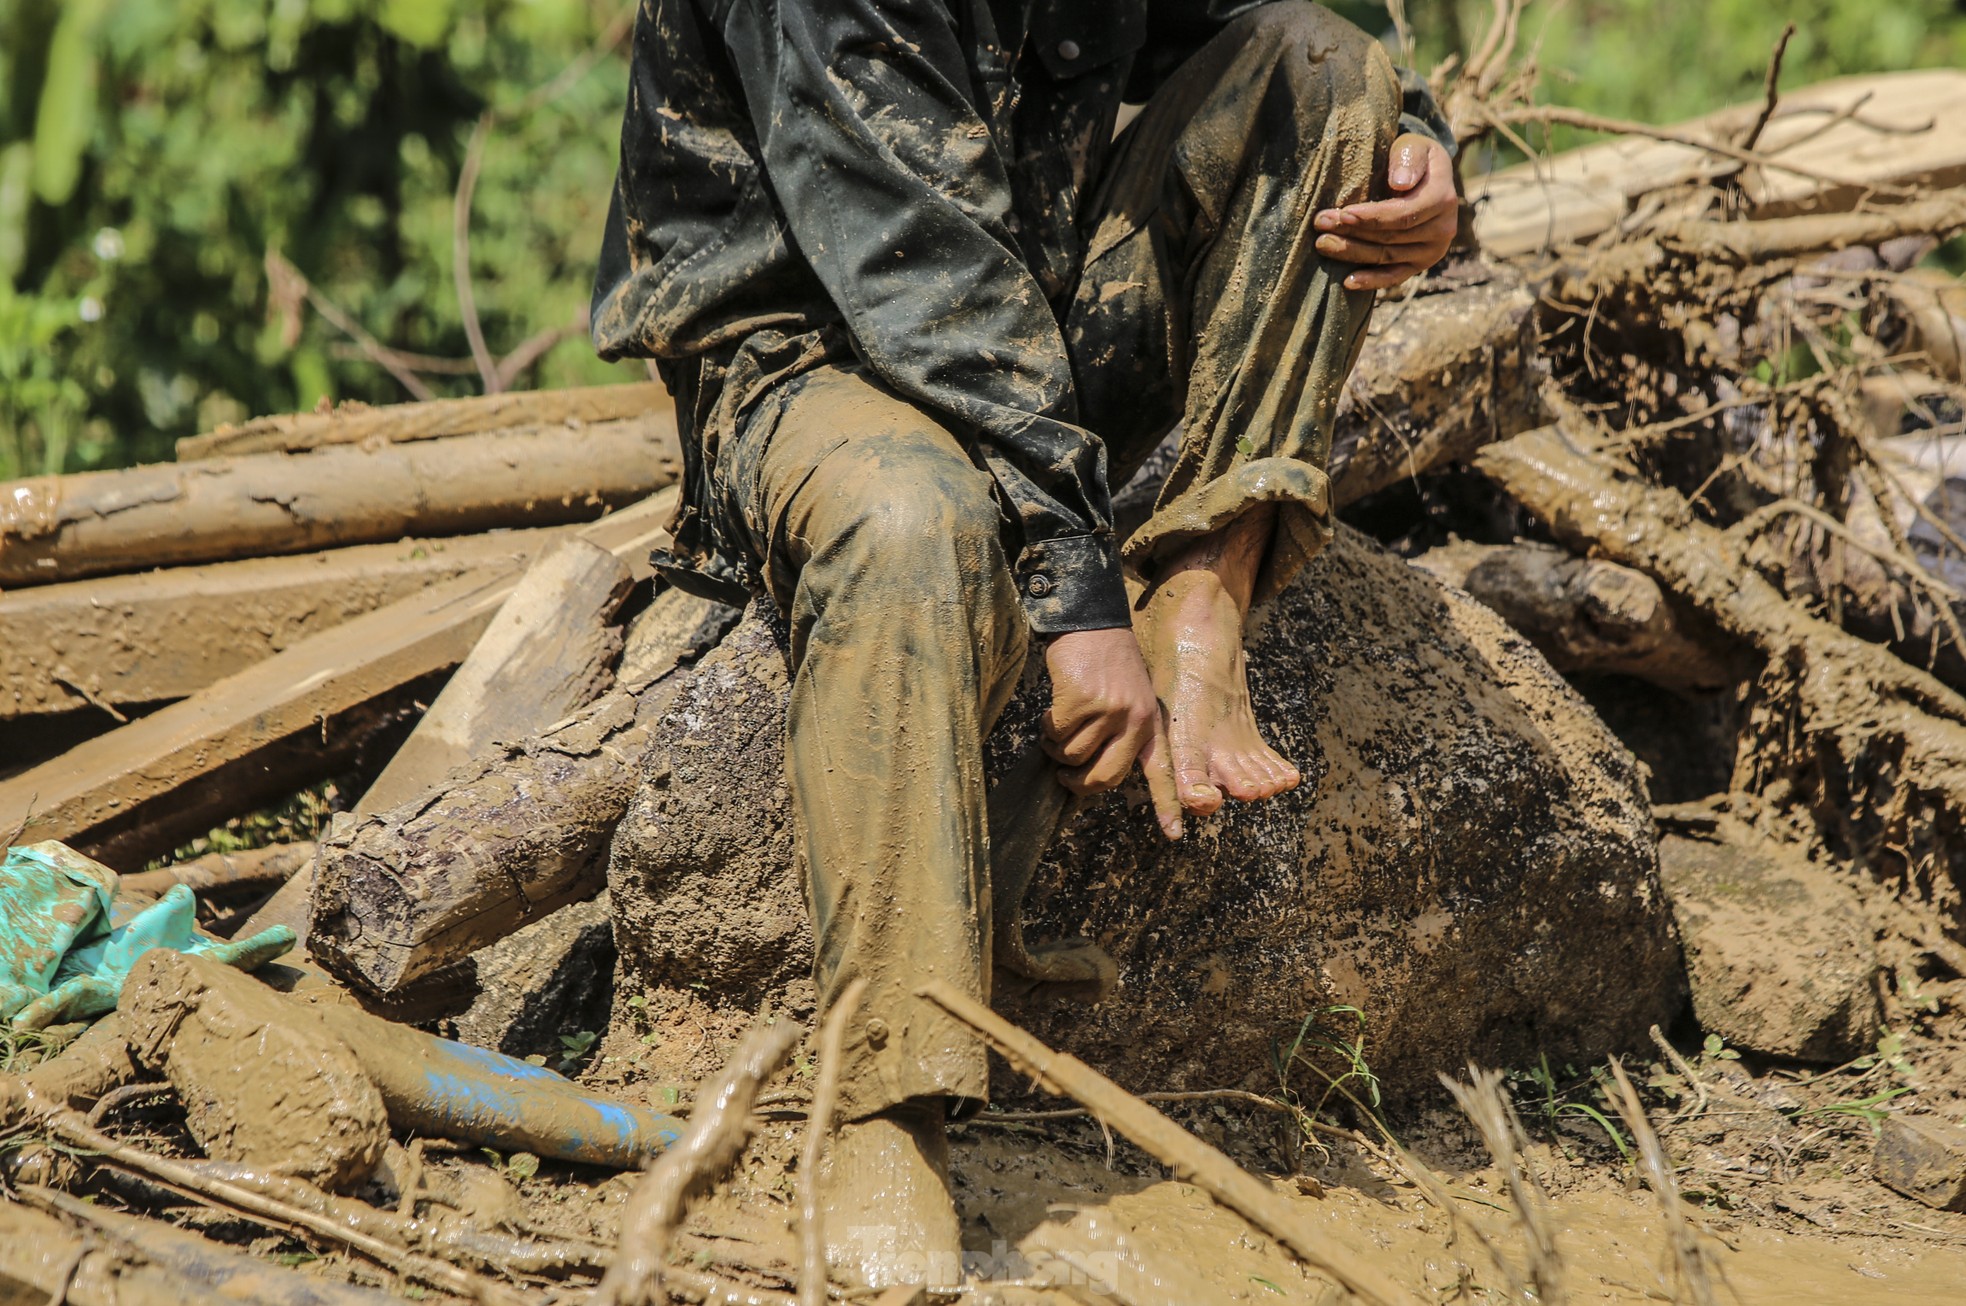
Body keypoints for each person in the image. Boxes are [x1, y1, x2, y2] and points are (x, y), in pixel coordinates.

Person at [593, 0, 1458, 1287]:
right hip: (803, 342)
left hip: (1029, 296)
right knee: (909, 523)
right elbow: (918, 272)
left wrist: (1416, 151)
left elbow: (1315, 23)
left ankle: (1205, 600)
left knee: (1326, 69)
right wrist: (1075, 596)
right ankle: (886, 1103)